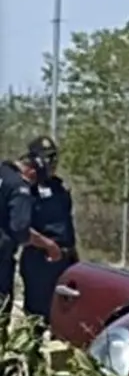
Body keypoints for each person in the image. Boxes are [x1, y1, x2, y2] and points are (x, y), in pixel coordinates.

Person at [0, 137, 62, 334]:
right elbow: (20, 230)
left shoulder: (3, 174)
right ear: (33, 170)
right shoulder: (20, 188)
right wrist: (49, 245)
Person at [19, 136, 77, 326]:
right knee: (37, 320)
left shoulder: (59, 188)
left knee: (63, 319)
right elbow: (21, 228)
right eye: (46, 158)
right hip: (40, 260)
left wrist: (72, 254)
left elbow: (66, 224)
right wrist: (48, 245)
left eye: (54, 158)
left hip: (65, 260)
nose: (51, 163)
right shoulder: (25, 189)